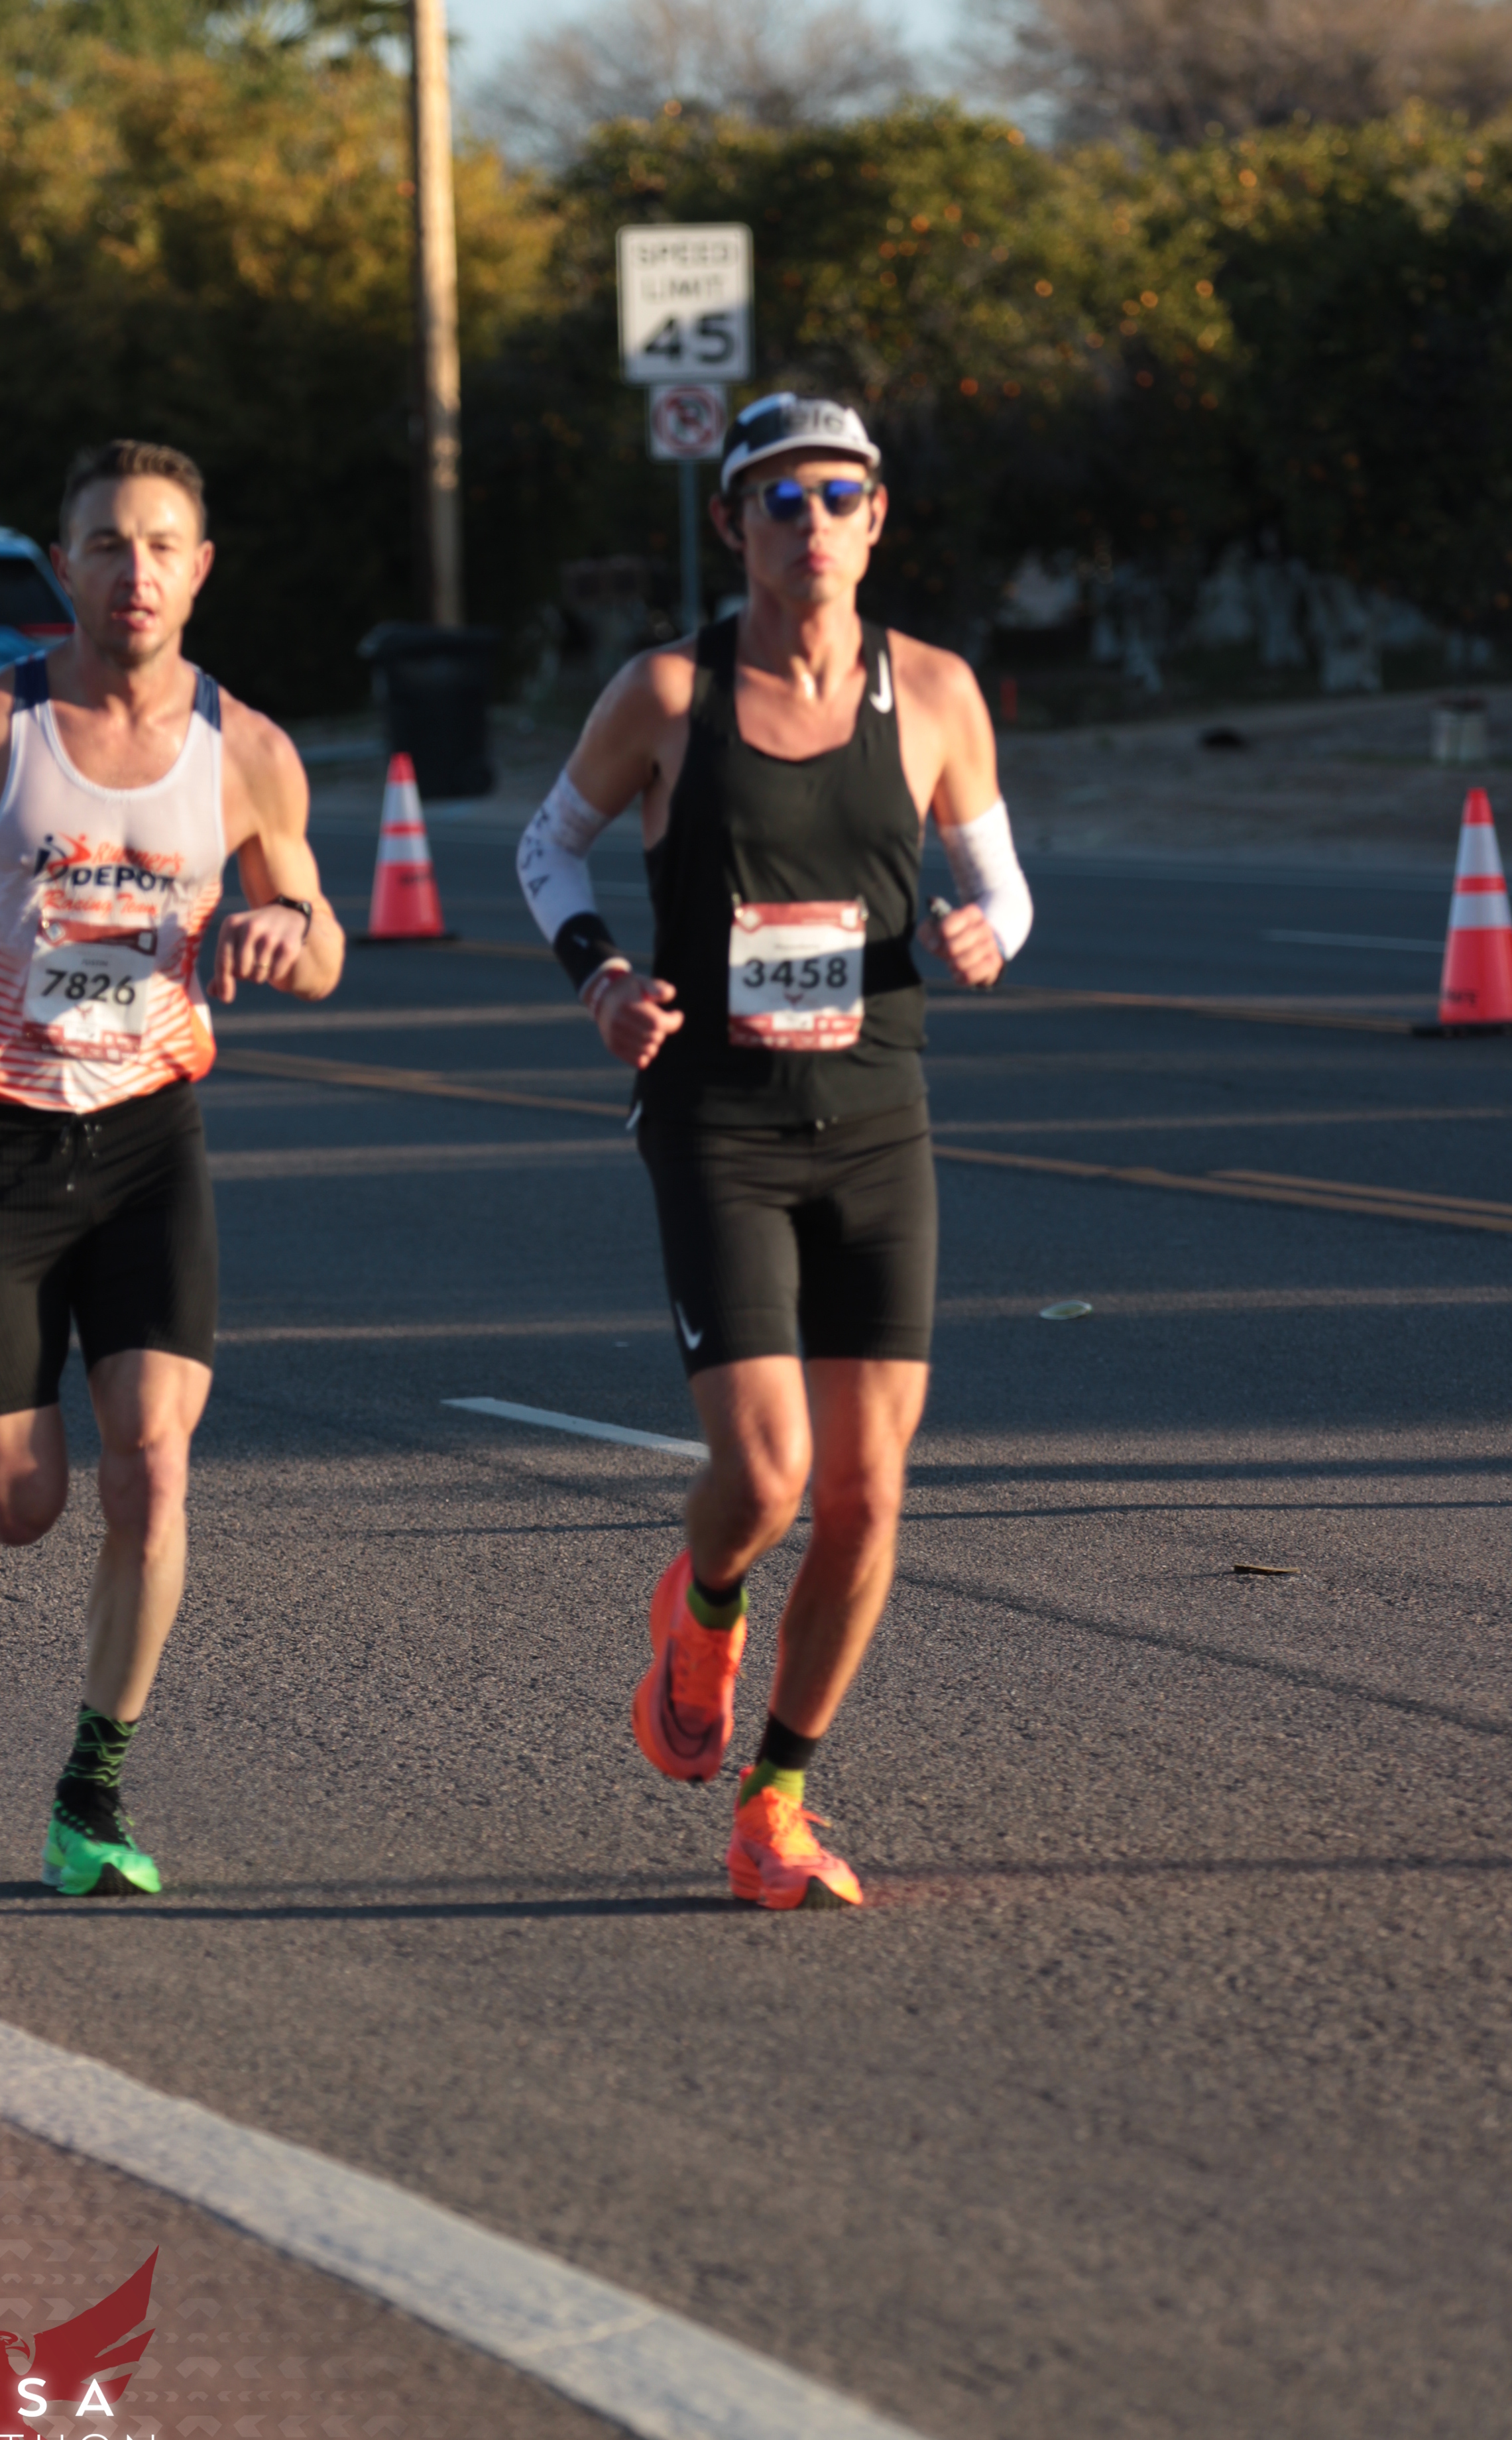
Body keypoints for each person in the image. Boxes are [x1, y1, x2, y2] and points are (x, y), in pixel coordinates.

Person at [518, 392, 1033, 1910]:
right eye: (779, 499)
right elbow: (548, 847)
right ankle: (703, 1605)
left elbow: (1002, 888)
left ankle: (776, 1802)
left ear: (876, 519)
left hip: (876, 1125)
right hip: (719, 1124)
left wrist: (985, 936)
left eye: (837, 496)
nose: (811, 523)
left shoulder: (931, 692)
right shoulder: (668, 694)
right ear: (733, 523)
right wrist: (602, 977)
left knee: (866, 1497)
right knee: (761, 1475)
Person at [0, 437, 344, 1898]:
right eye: (107, 543)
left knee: (154, 1467)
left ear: (201, 568)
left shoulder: (249, 752)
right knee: (20, 1507)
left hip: (147, 1142)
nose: (135, 571)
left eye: (162, 544)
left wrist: (290, 930)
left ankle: (91, 1792)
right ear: (64, 567)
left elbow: (319, 937)